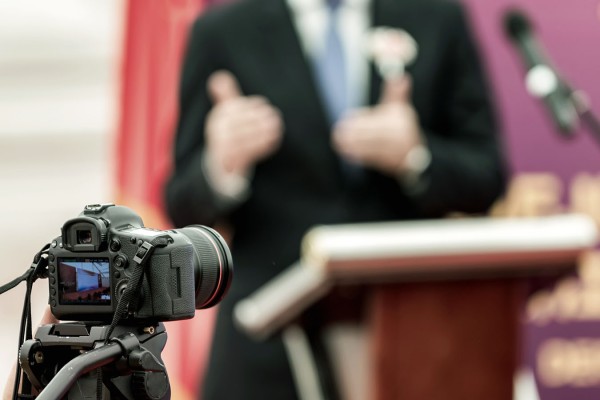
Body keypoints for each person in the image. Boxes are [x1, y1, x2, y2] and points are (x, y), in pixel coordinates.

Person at [165, 0, 506, 398]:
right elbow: (182, 204)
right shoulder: (223, 30)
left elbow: (488, 176)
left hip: (413, 339)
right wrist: (221, 166)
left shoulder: (435, 16)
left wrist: (417, 155)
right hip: (269, 347)